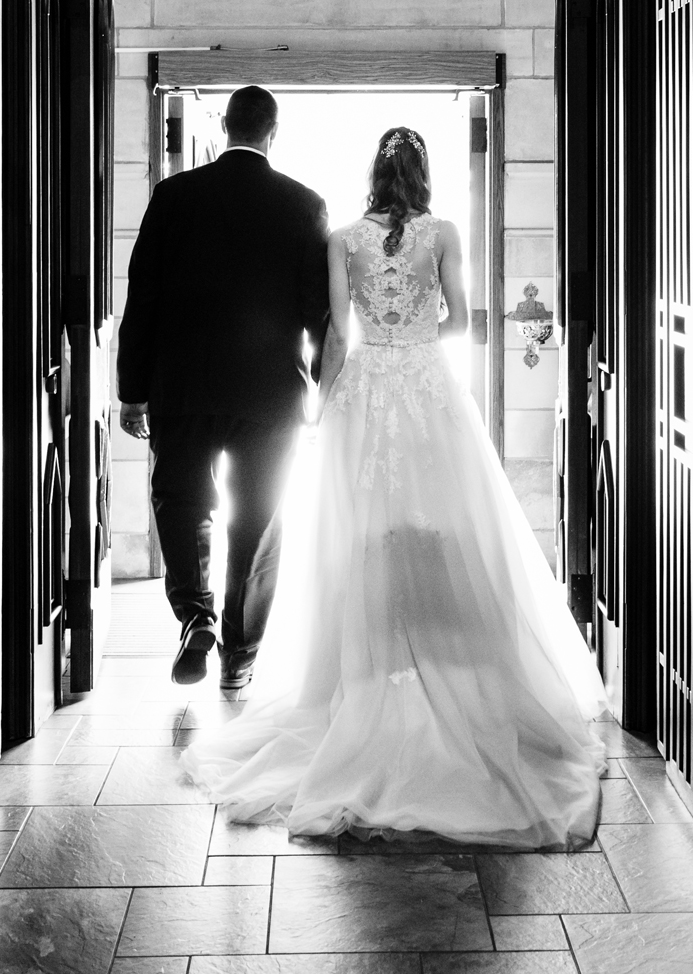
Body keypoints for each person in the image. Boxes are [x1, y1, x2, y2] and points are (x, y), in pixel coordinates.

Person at [180, 125, 608, 849]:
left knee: (360, 532)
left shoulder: (343, 236)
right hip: (427, 387)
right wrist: (417, 326)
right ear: (423, 174)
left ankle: (368, 672)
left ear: (375, 176)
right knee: (446, 522)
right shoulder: (441, 233)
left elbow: (337, 335)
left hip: (363, 390)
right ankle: (448, 662)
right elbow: (464, 321)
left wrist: (327, 400)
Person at [117, 86, 331, 695]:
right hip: (270, 398)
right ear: (272, 132)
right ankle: (240, 654)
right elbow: (318, 313)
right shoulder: (303, 205)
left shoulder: (173, 196)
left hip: (181, 387)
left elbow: (144, 295)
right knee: (260, 521)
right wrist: (322, 392)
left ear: (223, 129)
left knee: (180, 501)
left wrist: (133, 390)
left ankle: (196, 616)